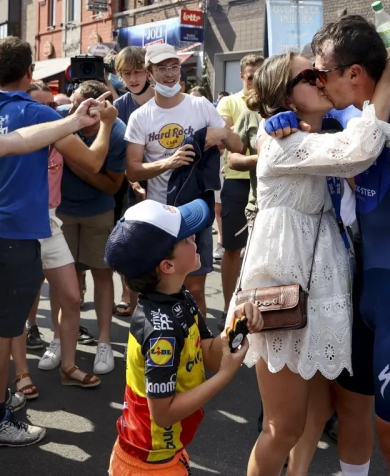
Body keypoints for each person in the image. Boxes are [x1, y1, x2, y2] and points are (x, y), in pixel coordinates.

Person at [269, 15, 390, 476]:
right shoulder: (345, 118)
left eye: (322, 73)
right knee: (349, 407)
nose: (318, 82)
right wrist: (283, 118)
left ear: (353, 74)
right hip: (357, 294)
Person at [229, 35, 390, 475]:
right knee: (281, 427)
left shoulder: (307, 132)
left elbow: (351, 136)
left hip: (315, 285)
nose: (319, 78)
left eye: (318, 72)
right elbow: (356, 153)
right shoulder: (284, 142)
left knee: (314, 415)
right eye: (308, 75)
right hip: (284, 287)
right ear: (283, 95)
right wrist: (388, 83)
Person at [0, 36, 114, 448]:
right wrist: (109, 124)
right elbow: (94, 161)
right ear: (30, 72)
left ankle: (9, 397)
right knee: (2, 329)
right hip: (17, 235)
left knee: (1, 324)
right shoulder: (35, 113)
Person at [105, 198, 262, 475]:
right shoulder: (159, 332)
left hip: (166, 454)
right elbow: (163, 414)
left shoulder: (179, 297)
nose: (195, 236)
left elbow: (209, 352)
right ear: (167, 266)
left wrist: (236, 323)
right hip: (147, 464)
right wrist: (225, 376)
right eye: (185, 237)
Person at [125, 43, 243, 319]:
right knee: (159, 287)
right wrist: (168, 162)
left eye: (173, 66)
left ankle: (197, 349)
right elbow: (132, 170)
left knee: (195, 289)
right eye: (161, 68)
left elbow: (237, 145)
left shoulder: (200, 105)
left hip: (195, 211)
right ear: (149, 73)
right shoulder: (140, 117)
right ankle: (165, 347)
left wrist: (219, 132)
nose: (169, 74)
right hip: (159, 216)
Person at [18, 82, 104, 391]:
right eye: (38, 107)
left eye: (51, 107)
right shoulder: (17, 139)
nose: (46, 114)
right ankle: (21, 375)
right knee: (17, 303)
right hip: (19, 225)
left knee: (71, 296)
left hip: (51, 223)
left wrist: (103, 123)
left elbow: (94, 160)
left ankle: (68, 366)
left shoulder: (60, 137)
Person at [54, 80, 127, 377]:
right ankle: (58, 339)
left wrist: (75, 164)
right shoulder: (59, 120)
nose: (73, 109)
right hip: (63, 211)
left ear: (100, 107)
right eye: (72, 102)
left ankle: (105, 341)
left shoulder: (117, 131)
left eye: (81, 104)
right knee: (65, 278)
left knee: (102, 274)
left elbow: (112, 184)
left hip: (98, 211)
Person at [216, 54, 264, 330]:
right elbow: (228, 140)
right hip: (237, 181)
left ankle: (254, 304)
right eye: (250, 76)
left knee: (258, 252)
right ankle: (227, 307)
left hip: (265, 184)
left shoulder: (273, 104)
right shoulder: (231, 102)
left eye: (260, 76)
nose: (254, 81)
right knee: (233, 248)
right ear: (242, 76)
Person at [112, 46, 152, 317]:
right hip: (124, 187)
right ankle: (129, 294)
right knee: (126, 244)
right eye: (127, 73)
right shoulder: (119, 107)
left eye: (138, 71)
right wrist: (134, 181)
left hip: (160, 182)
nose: (133, 78)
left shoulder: (163, 100)